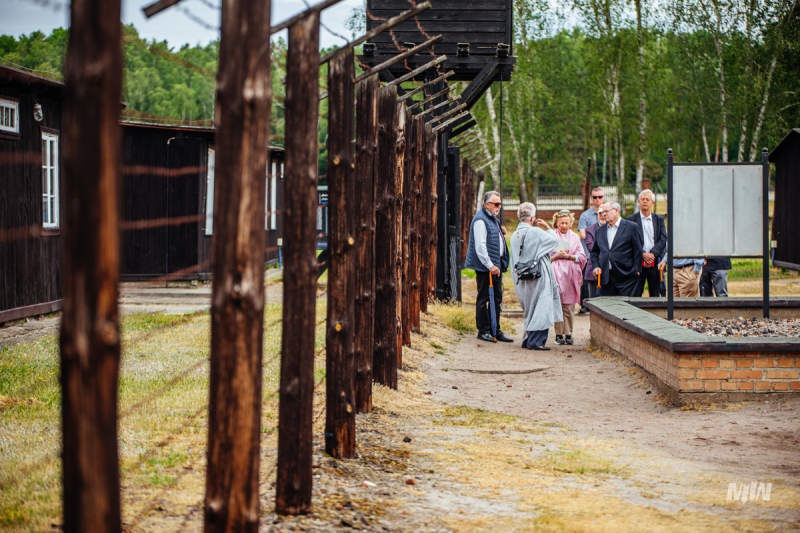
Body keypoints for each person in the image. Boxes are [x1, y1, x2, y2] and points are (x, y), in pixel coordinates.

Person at [510, 202, 562, 351]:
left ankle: (528, 339)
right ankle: (536, 341)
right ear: (532, 218)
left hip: (523, 277)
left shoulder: (515, 235)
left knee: (530, 308)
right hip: (539, 275)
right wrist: (548, 227)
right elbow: (554, 241)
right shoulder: (536, 232)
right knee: (542, 306)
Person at [464, 190, 512, 342]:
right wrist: (490, 265)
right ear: (487, 205)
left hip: (495, 266)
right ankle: (483, 330)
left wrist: (501, 231)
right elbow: (480, 247)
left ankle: (495, 329)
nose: (499, 207)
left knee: (496, 298)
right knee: (484, 298)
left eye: (500, 204)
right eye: (496, 204)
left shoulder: (492, 219)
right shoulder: (480, 220)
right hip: (486, 267)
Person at [550, 210, 586, 345]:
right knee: (557, 305)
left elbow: (582, 256)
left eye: (566, 223)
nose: (564, 225)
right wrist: (556, 256)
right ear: (556, 223)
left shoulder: (575, 237)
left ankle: (569, 333)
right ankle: (558, 333)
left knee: (569, 306)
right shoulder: (552, 236)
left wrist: (569, 256)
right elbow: (544, 256)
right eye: (561, 223)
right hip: (556, 275)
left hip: (570, 276)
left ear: (570, 223)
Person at [591, 202, 643, 296]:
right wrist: (596, 266)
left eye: (606, 211)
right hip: (606, 278)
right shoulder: (599, 231)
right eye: (602, 212)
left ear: (616, 210)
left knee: (627, 308)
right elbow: (594, 252)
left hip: (626, 277)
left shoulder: (631, 227)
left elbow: (638, 249)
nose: (603, 214)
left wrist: (636, 270)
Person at [627, 189, 667, 297]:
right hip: (638, 263)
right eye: (642, 199)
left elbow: (663, 238)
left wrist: (652, 254)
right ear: (639, 202)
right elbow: (630, 240)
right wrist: (643, 254)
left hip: (655, 262)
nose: (645, 201)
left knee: (655, 293)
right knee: (636, 293)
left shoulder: (659, 219)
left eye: (647, 199)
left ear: (652, 203)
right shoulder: (631, 220)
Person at [578, 187, 605, 312]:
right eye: (595, 197)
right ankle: (585, 305)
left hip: (605, 257)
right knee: (586, 282)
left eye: (600, 197)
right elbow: (583, 235)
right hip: (588, 254)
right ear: (591, 198)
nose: (597, 200)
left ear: (603, 198)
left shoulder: (606, 212)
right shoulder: (586, 215)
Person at [584, 206, 607, 297]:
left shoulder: (613, 229)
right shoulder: (590, 229)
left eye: (604, 212)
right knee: (593, 301)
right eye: (599, 213)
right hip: (593, 268)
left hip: (610, 270)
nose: (602, 215)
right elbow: (591, 247)